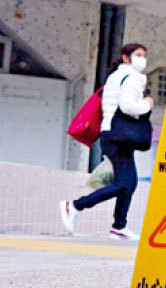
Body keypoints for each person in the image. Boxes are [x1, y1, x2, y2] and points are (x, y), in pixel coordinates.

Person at [59, 43, 154, 240]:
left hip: (112, 134)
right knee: (124, 184)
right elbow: (127, 106)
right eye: (138, 55)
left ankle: (119, 226)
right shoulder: (132, 78)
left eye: (144, 55)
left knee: (129, 183)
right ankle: (75, 206)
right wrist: (147, 104)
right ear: (126, 58)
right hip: (118, 135)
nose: (142, 59)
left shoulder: (116, 76)